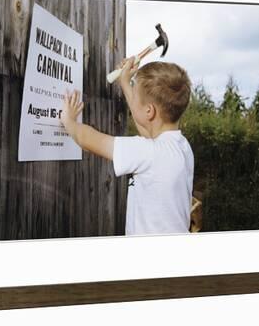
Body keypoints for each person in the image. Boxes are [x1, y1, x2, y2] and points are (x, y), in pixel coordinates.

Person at [60, 58, 194, 235]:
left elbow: (88, 139)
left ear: (149, 111)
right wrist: (125, 82)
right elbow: (148, 124)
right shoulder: (182, 147)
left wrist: (69, 121)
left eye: (135, 97)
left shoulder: (147, 152)